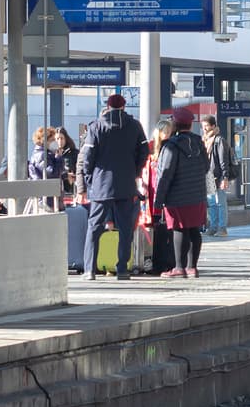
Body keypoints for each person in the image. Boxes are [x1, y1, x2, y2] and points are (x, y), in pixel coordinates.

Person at [79, 92, 150, 279]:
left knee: (94, 227)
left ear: (108, 106)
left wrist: (89, 178)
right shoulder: (134, 126)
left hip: (101, 185)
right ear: (124, 107)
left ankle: (89, 270)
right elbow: (145, 150)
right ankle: (122, 269)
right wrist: (134, 170)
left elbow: (87, 157)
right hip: (126, 184)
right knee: (125, 228)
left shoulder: (96, 127)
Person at [152, 114, 211, 278]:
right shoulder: (199, 143)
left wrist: (158, 200)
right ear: (190, 126)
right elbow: (206, 167)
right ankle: (192, 267)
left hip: (176, 196)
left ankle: (179, 267)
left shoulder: (171, 146)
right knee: (194, 230)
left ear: (175, 126)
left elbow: (165, 173)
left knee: (178, 228)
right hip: (197, 195)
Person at [200, 116, 235, 236]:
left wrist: (225, 177)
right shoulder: (205, 140)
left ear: (213, 126)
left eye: (206, 126)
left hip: (218, 175)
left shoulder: (219, 140)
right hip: (208, 175)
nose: (204, 128)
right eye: (203, 126)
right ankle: (213, 227)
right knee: (212, 203)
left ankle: (222, 228)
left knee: (220, 202)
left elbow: (223, 160)